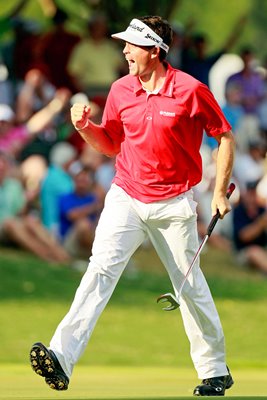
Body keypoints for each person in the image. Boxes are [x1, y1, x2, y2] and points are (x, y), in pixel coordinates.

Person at [29, 15, 235, 396]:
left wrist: (219, 191)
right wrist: (85, 128)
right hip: (126, 194)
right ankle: (60, 357)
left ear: (154, 51)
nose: (123, 50)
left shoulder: (191, 90)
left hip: (174, 202)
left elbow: (224, 136)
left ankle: (215, 370)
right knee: (100, 271)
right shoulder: (120, 90)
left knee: (188, 285)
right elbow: (110, 144)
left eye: (131, 44)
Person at [232, 180, 267, 274]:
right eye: (250, 194)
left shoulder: (261, 210)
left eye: (254, 194)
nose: (252, 197)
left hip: (262, 249)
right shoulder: (239, 211)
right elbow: (244, 236)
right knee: (254, 251)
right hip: (244, 252)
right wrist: (261, 223)